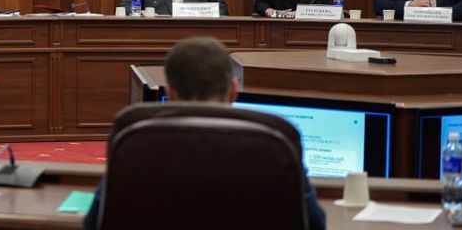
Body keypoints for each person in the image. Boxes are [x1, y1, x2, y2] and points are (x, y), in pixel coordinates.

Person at [83, 37, 325, 230]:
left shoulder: (134, 137)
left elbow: (95, 222)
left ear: (170, 93)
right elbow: (314, 223)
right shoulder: (276, 139)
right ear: (233, 90)